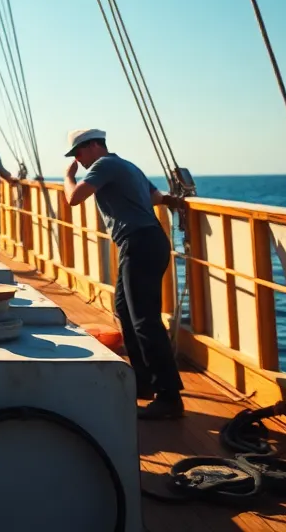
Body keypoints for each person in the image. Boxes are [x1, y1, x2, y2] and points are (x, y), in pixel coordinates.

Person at [62, 129, 186, 420]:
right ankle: (143, 383)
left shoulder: (103, 165)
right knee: (125, 310)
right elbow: (155, 197)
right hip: (147, 240)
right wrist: (174, 200)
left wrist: (68, 177)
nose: (78, 160)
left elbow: (74, 198)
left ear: (94, 146)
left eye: (78, 153)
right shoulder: (128, 165)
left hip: (139, 242)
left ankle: (169, 396)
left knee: (145, 319)